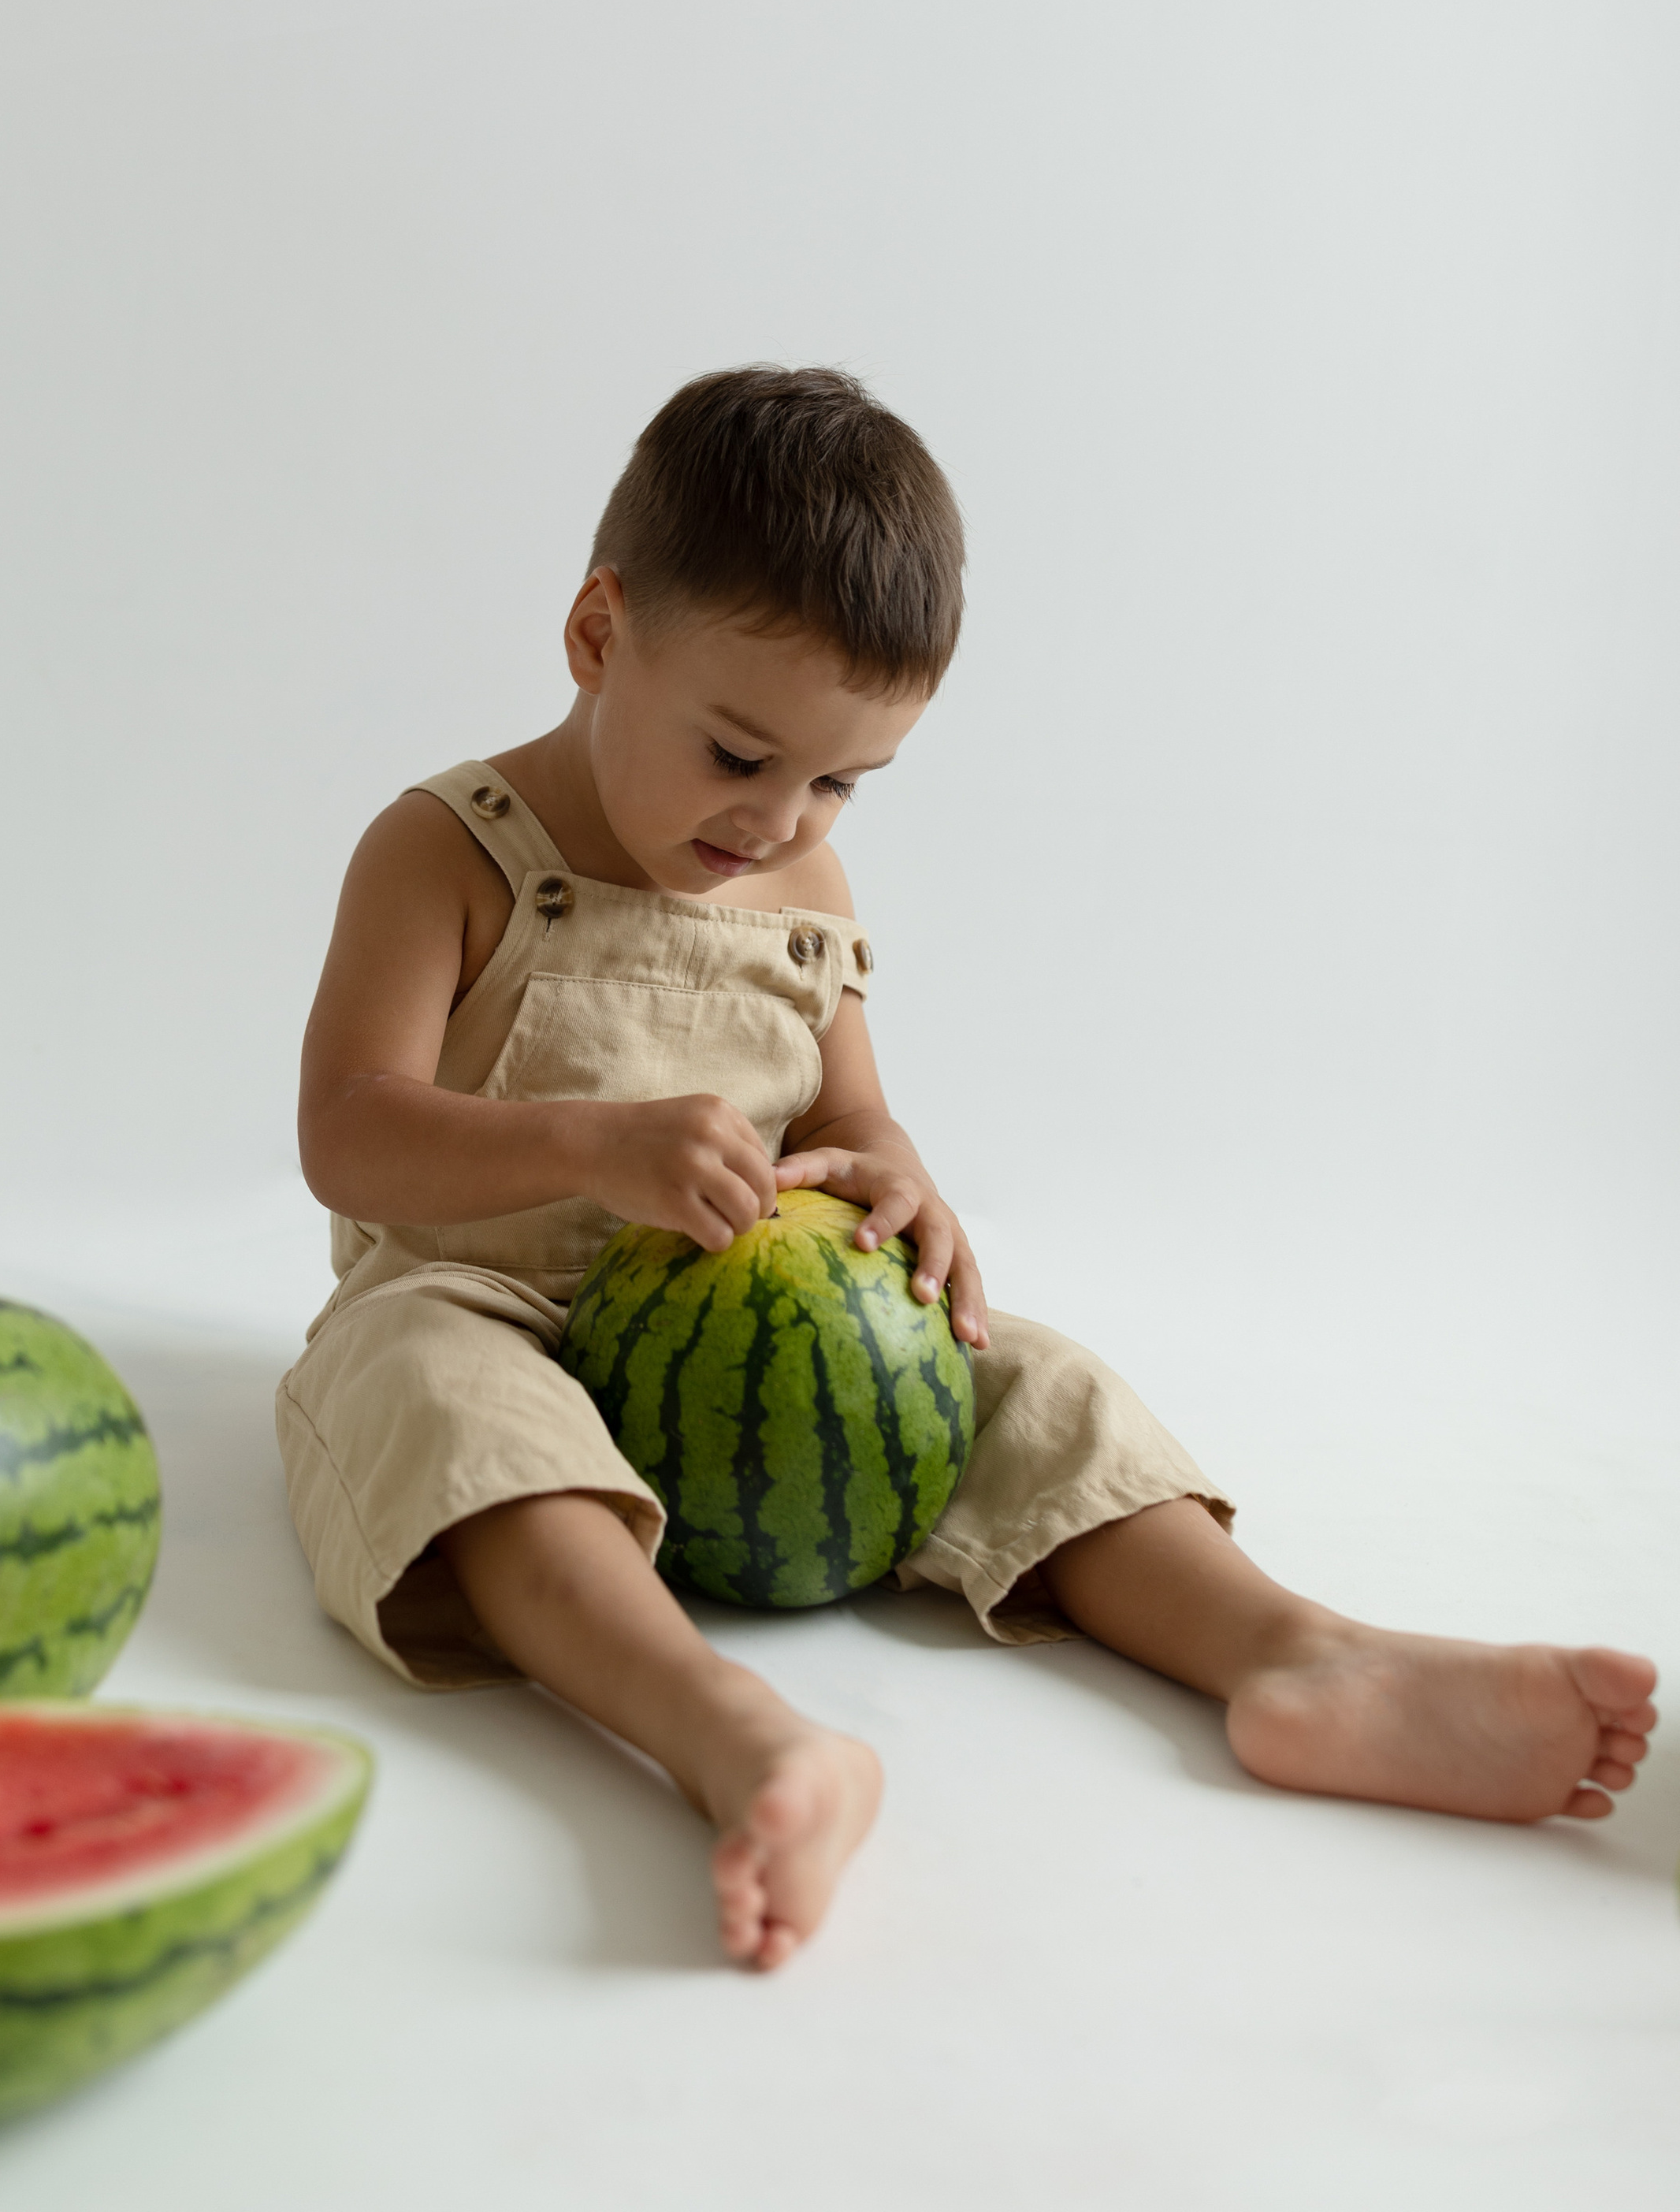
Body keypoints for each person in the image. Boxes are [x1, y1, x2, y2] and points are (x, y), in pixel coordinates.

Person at [278, 364, 1657, 1972]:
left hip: (752, 1318)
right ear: (597, 636)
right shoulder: (449, 850)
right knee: (440, 1400)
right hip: (481, 1292)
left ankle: (1301, 1654)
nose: (777, 817)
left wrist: (897, 1188)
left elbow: (852, 1116)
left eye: (838, 781)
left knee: (1034, 1382)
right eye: (737, 755)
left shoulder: (800, 874)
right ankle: (737, 1736)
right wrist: (595, 1145)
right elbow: (345, 1130)